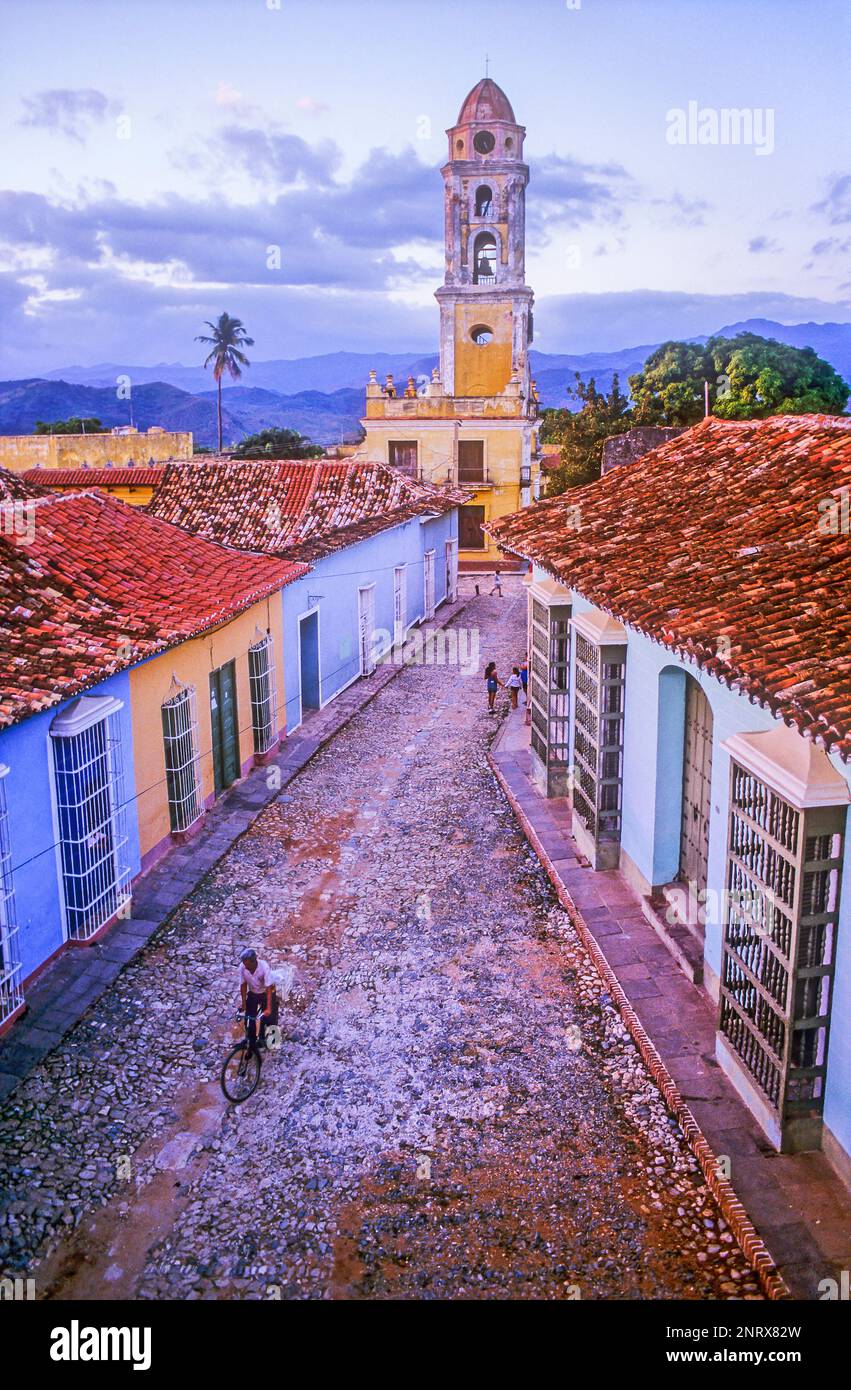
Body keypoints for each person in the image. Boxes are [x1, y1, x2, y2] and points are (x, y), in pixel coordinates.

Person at [239, 949, 278, 1049]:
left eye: (248, 965)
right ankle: (251, 1042)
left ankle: (274, 1041)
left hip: (266, 993)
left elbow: (268, 988)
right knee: (249, 1018)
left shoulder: (264, 967)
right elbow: (243, 985)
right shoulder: (243, 968)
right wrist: (243, 1003)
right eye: (244, 965)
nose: (246, 967)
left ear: (254, 961)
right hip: (253, 992)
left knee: (271, 1018)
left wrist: (269, 1008)